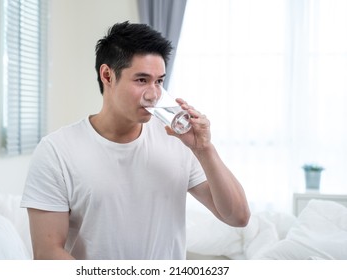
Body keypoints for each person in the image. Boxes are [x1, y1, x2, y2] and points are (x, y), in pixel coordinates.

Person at [21, 21, 250, 260]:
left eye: (159, 81)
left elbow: (238, 217)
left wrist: (204, 149)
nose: (153, 94)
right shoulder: (57, 151)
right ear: (107, 75)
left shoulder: (177, 141)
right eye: (142, 80)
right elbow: (48, 252)